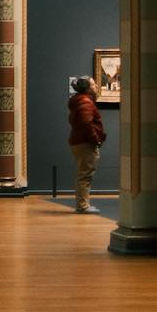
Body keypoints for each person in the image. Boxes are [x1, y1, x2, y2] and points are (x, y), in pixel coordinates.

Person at [68, 76, 106, 214]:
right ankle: (83, 206)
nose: (96, 86)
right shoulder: (85, 102)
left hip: (79, 141)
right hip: (85, 143)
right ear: (87, 88)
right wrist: (96, 140)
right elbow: (86, 124)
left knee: (83, 174)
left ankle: (82, 204)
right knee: (85, 175)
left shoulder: (79, 101)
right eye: (94, 84)